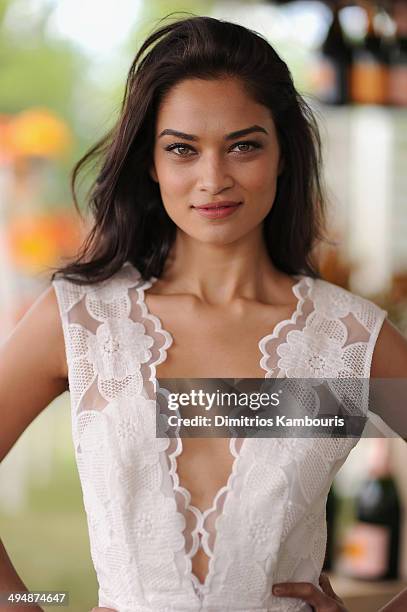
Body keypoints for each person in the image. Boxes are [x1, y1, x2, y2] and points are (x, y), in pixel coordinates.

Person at [1, 13, 407, 612]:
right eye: (182, 150)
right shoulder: (84, 322)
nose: (213, 179)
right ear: (151, 162)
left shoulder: (343, 339)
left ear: (282, 156)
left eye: (243, 145)